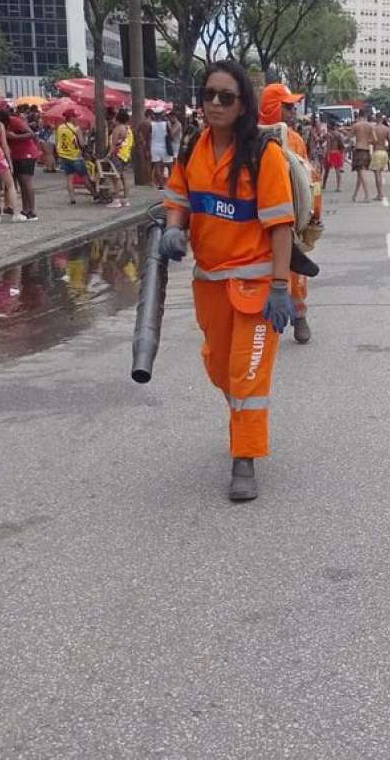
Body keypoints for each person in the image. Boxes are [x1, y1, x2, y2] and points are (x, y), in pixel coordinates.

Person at [161, 61, 297, 502]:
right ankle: (242, 427)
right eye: (209, 95)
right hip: (210, 284)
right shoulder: (191, 149)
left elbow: (281, 227)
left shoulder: (264, 154)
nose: (215, 104)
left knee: (248, 374)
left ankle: (245, 458)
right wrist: (173, 228)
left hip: (258, 288)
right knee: (220, 368)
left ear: (243, 106)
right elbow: (178, 199)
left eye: (226, 97)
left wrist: (281, 286)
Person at [259, 82, 313, 345]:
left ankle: (300, 317)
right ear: (271, 107)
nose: (293, 111)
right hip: (257, 220)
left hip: (289, 220)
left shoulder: (295, 140)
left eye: (293, 106)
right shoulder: (249, 137)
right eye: (287, 106)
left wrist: (313, 217)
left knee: (294, 271)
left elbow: (307, 182)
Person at [1, 106, 41, 221]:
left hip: (27, 153)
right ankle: (25, 209)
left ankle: (32, 210)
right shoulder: (1, 125)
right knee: (21, 182)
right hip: (15, 155)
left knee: (26, 181)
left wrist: (15, 137)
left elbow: (31, 134)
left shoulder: (15, 121)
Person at [56, 110, 97, 204]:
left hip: (64, 156)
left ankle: (72, 198)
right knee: (85, 177)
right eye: (75, 116)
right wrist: (83, 135)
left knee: (69, 178)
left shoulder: (60, 128)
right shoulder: (76, 129)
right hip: (75, 156)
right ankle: (95, 194)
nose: (77, 118)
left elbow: (58, 141)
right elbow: (82, 144)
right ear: (71, 118)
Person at [107, 108, 134, 208]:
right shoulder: (128, 129)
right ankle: (125, 199)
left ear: (117, 119)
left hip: (117, 155)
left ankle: (116, 199)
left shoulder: (117, 129)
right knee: (123, 177)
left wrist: (109, 154)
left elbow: (114, 144)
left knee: (115, 177)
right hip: (126, 155)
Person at [351, 110, 375, 202]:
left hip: (358, 150)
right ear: (365, 116)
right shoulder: (370, 126)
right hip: (367, 150)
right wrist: (367, 141)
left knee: (361, 173)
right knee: (359, 174)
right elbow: (374, 139)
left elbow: (349, 136)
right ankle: (355, 195)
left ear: (358, 116)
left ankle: (367, 196)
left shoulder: (356, 125)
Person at [370, 114, 390, 200]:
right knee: (380, 173)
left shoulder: (374, 129)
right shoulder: (387, 129)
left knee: (377, 174)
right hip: (384, 153)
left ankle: (379, 194)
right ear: (382, 119)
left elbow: (372, 141)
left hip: (377, 152)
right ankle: (380, 194)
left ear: (376, 119)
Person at [150, 110, 170, 188]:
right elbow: (170, 134)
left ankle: (161, 185)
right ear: (162, 115)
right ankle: (167, 183)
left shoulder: (151, 124)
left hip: (154, 147)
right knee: (165, 166)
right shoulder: (166, 124)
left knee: (157, 167)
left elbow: (149, 136)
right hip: (164, 147)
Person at [322, 123, 344, 192]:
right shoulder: (338, 134)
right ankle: (339, 187)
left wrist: (327, 155)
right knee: (338, 171)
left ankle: (324, 185)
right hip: (337, 152)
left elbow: (328, 145)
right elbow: (342, 144)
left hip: (330, 153)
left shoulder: (329, 134)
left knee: (326, 171)